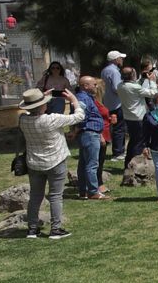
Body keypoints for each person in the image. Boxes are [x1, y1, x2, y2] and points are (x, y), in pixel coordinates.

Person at [18, 87, 84, 239]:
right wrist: (74, 100)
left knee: (35, 196)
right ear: (43, 105)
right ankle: (56, 229)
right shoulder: (52, 119)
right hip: (55, 161)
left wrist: (39, 98)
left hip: (34, 162)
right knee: (55, 196)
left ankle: (32, 229)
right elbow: (79, 116)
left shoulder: (23, 120)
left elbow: (26, 110)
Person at [73, 75, 108, 200]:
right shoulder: (83, 98)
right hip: (89, 133)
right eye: (94, 84)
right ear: (85, 86)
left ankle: (83, 191)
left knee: (84, 163)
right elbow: (82, 116)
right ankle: (93, 191)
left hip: (90, 133)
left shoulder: (87, 98)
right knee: (92, 164)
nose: (96, 86)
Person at [116, 67, 150, 162]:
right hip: (138, 117)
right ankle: (135, 163)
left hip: (128, 117)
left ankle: (128, 162)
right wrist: (152, 81)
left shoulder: (120, 85)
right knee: (139, 142)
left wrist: (142, 79)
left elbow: (134, 86)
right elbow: (152, 93)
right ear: (132, 75)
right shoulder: (135, 87)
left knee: (133, 140)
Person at [101, 50, 126, 159]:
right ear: (116, 60)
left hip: (107, 102)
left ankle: (117, 150)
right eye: (121, 58)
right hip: (117, 103)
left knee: (113, 127)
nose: (122, 60)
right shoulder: (115, 72)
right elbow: (116, 88)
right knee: (119, 128)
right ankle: (118, 152)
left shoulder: (105, 70)